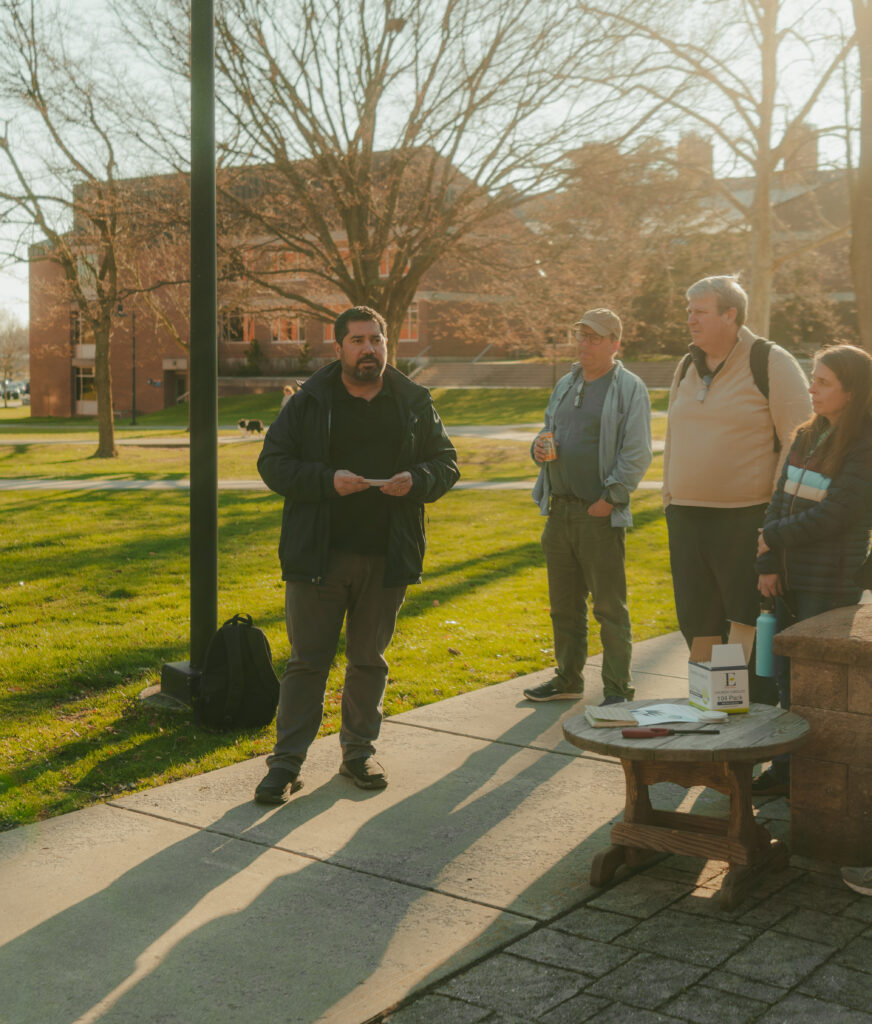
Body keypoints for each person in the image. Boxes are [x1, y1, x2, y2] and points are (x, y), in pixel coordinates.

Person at [254, 305, 459, 803]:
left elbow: (446, 463)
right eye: (358, 341)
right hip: (319, 557)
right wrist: (327, 483)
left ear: (388, 345)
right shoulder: (309, 401)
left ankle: (358, 753)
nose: (369, 349)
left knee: (369, 660)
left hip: (387, 556)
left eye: (376, 340)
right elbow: (273, 463)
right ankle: (286, 764)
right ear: (339, 347)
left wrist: (418, 480)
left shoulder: (412, 401)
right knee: (307, 662)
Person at [662, 276, 811, 704]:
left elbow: (796, 442)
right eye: (688, 311)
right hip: (686, 517)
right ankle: (709, 707)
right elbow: (674, 434)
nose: (690, 320)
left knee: (744, 623)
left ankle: (749, 718)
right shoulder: (687, 364)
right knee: (698, 621)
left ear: (731, 315)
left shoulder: (770, 361)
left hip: (746, 518)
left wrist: (774, 519)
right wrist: (669, 496)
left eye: (700, 311)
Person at [753, 344, 872, 795]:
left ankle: (818, 776)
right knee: (785, 676)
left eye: (823, 382)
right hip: (786, 577)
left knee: (820, 682)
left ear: (852, 391)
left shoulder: (865, 445)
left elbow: (836, 515)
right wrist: (767, 560)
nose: (812, 388)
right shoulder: (807, 434)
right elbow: (779, 500)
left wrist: (774, 538)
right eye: (813, 378)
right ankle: (785, 769)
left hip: (829, 581)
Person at [525, 308, 652, 705]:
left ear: (615, 343)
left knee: (609, 609)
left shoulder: (629, 387)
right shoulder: (566, 382)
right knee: (563, 608)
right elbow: (548, 431)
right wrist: (538, 447)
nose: (584, 344)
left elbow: (636, 451)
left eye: (594, 337)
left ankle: (617, 689)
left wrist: (609, 499)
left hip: (597, 514)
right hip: (559, 511)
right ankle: (568, 678)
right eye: (580, 336)